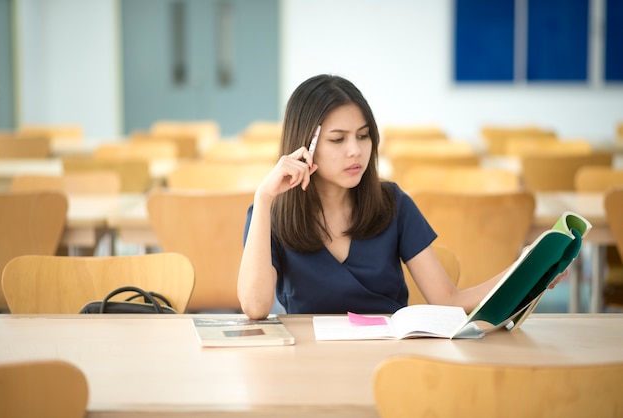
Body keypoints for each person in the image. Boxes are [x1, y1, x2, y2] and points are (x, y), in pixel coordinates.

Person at [237, 74, 564, 320]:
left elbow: (448, 301)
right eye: (338, 140)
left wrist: (525, 270)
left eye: (363, 136)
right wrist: (264, 198)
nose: (356, 151)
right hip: (310, 365)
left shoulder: (392, 204)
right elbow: (254, 307)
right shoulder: (272, 213)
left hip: (389, 360)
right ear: (304, 147)